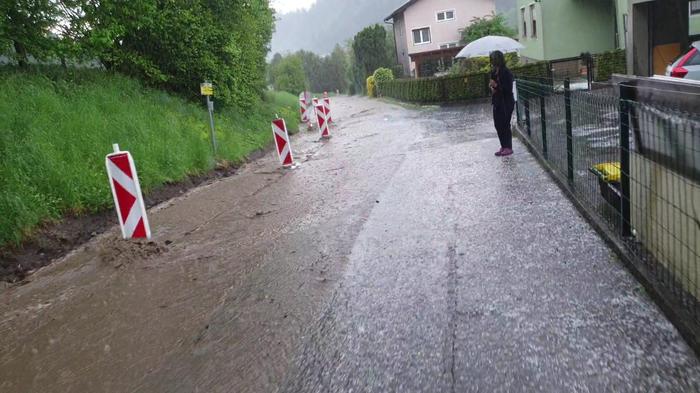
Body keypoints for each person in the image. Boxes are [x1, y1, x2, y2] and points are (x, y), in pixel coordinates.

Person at [489, 50, 515, 157]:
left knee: (505, 125)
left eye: (494, 59)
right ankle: (503, 146)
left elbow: (507, 89)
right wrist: (492, 87)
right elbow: (494, 89)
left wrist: (495, 86)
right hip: (497, 102)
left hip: (506, 103)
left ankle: (508, 147)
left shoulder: (506, 72)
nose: (493, 62)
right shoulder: (494, 72)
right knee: (498, 124)